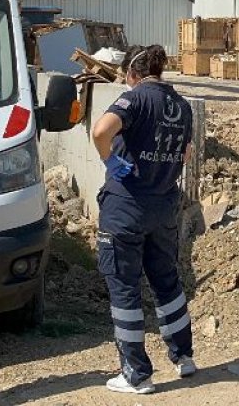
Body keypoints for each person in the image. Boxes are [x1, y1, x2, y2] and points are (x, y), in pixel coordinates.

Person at [90, 45, 198, 395]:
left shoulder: (134, 99)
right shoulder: (181, 106)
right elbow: (187, 152)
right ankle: (184, 357)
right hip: (163, 207)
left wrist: (110, 160)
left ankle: (136, 374)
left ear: (132, 73)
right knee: (167, 280)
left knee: (124, 286)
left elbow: (100, 131)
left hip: (127, 208)